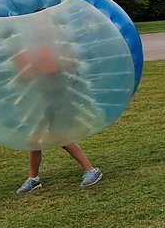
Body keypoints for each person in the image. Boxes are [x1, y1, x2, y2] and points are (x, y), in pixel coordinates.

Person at [13, 25, 102, 194]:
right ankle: (33, 179)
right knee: (35, 138)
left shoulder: (57, 46)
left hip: (58, 97)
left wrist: (35, 63)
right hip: (42, 97)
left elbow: (55, 69)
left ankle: (91, 170)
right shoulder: (34, 47)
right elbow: (26, 77)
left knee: (59, 137)